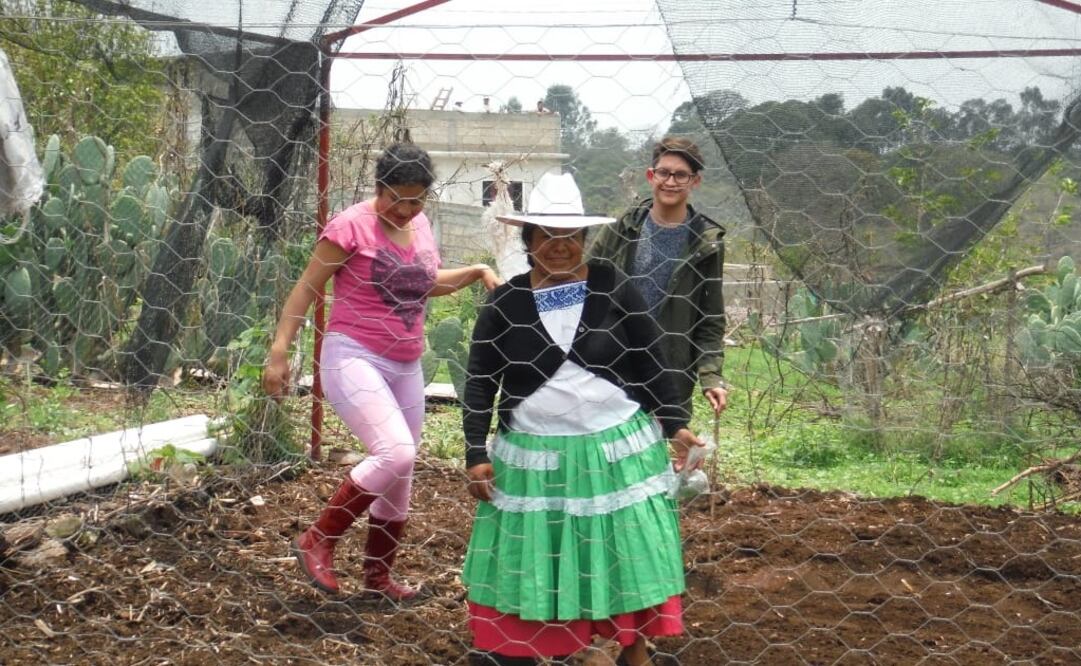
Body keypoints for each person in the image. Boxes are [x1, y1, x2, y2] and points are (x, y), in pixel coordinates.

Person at [461, 172, 703, 665]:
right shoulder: (505, 303)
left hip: (613, 453)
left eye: (570, 236)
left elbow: (651, 358)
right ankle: (528, 650)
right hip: (536, 461)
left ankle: (632, 652)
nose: (559, 246)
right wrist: (474, 452)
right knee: (538, 556)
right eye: (547, 235)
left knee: (620, 554)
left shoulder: (614, 287)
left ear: (585, 239)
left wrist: (675, 424)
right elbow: (481, 380)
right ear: (528, 240)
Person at [263, 142, 500, 600]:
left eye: (417, 201)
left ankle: (378, 579)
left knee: (400, 471)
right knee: (395, 452)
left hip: (406, 364)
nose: (406, 210)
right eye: (397, 199)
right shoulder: (350, 226)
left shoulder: (421, 225)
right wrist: (278, 352)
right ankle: (317, 539)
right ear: (379, 188)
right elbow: (306, 288)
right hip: (354, 356)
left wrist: (474, 271)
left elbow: (421, 282)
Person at [588, 136, 729, 422]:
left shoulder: (705, 243)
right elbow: (584, 286)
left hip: (668, 370)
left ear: (695, 181)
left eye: (681, 175)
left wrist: (711, 377)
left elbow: (710, 318)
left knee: (659, 444)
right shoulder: (622, 229)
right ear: (651, 176)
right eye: (664, 172)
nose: (671, 182)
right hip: (612, 364)